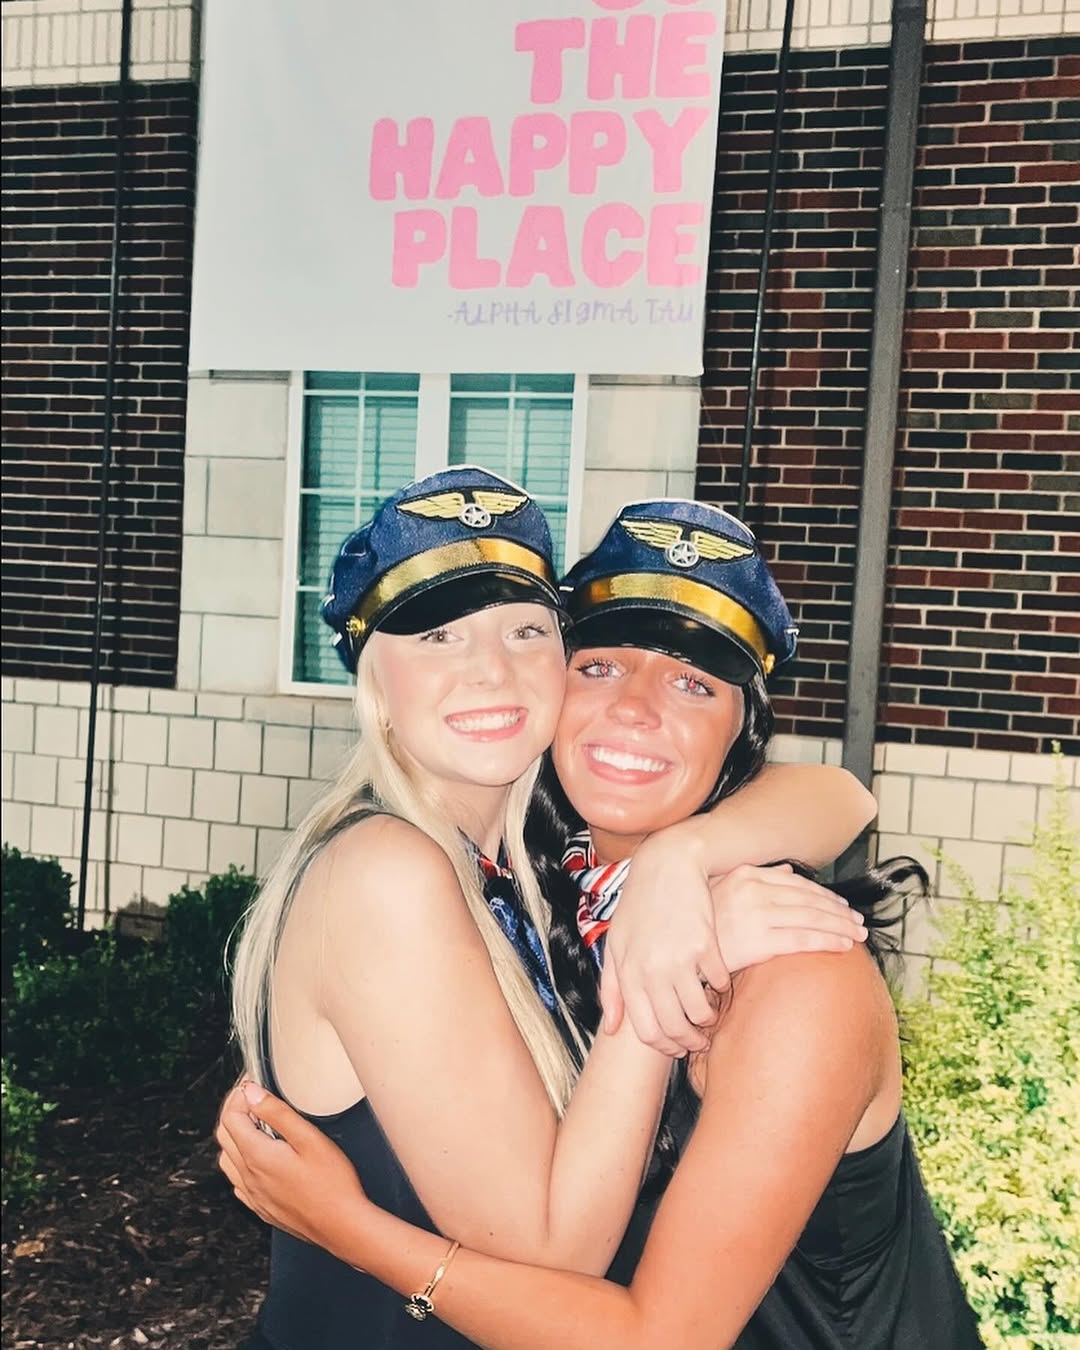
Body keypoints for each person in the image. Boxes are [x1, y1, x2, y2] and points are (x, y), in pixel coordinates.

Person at [219, 498, 982, 1349]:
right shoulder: (543, 886)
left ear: (742, 733)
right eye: (603, 665)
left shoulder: (794, 969)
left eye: (694, 683)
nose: (637, 708)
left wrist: (346, 1226)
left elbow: (661, 1336)